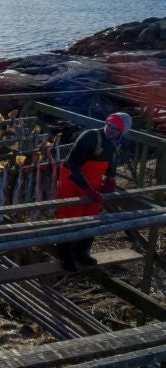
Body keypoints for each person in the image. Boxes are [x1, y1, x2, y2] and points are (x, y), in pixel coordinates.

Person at [55, 112, 131, 272]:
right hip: (72, 181)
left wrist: (110, 179)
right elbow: (73, 167)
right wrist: (88, 190)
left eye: (115, 129)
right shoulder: (89, 137)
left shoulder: (115, 143)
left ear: (121, 133)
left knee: (91, 218)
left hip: (93, 184)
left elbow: (111, 161)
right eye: (109, 125)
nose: (110, 130)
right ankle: (65, 255)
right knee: (70, 217)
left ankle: (82, 253)